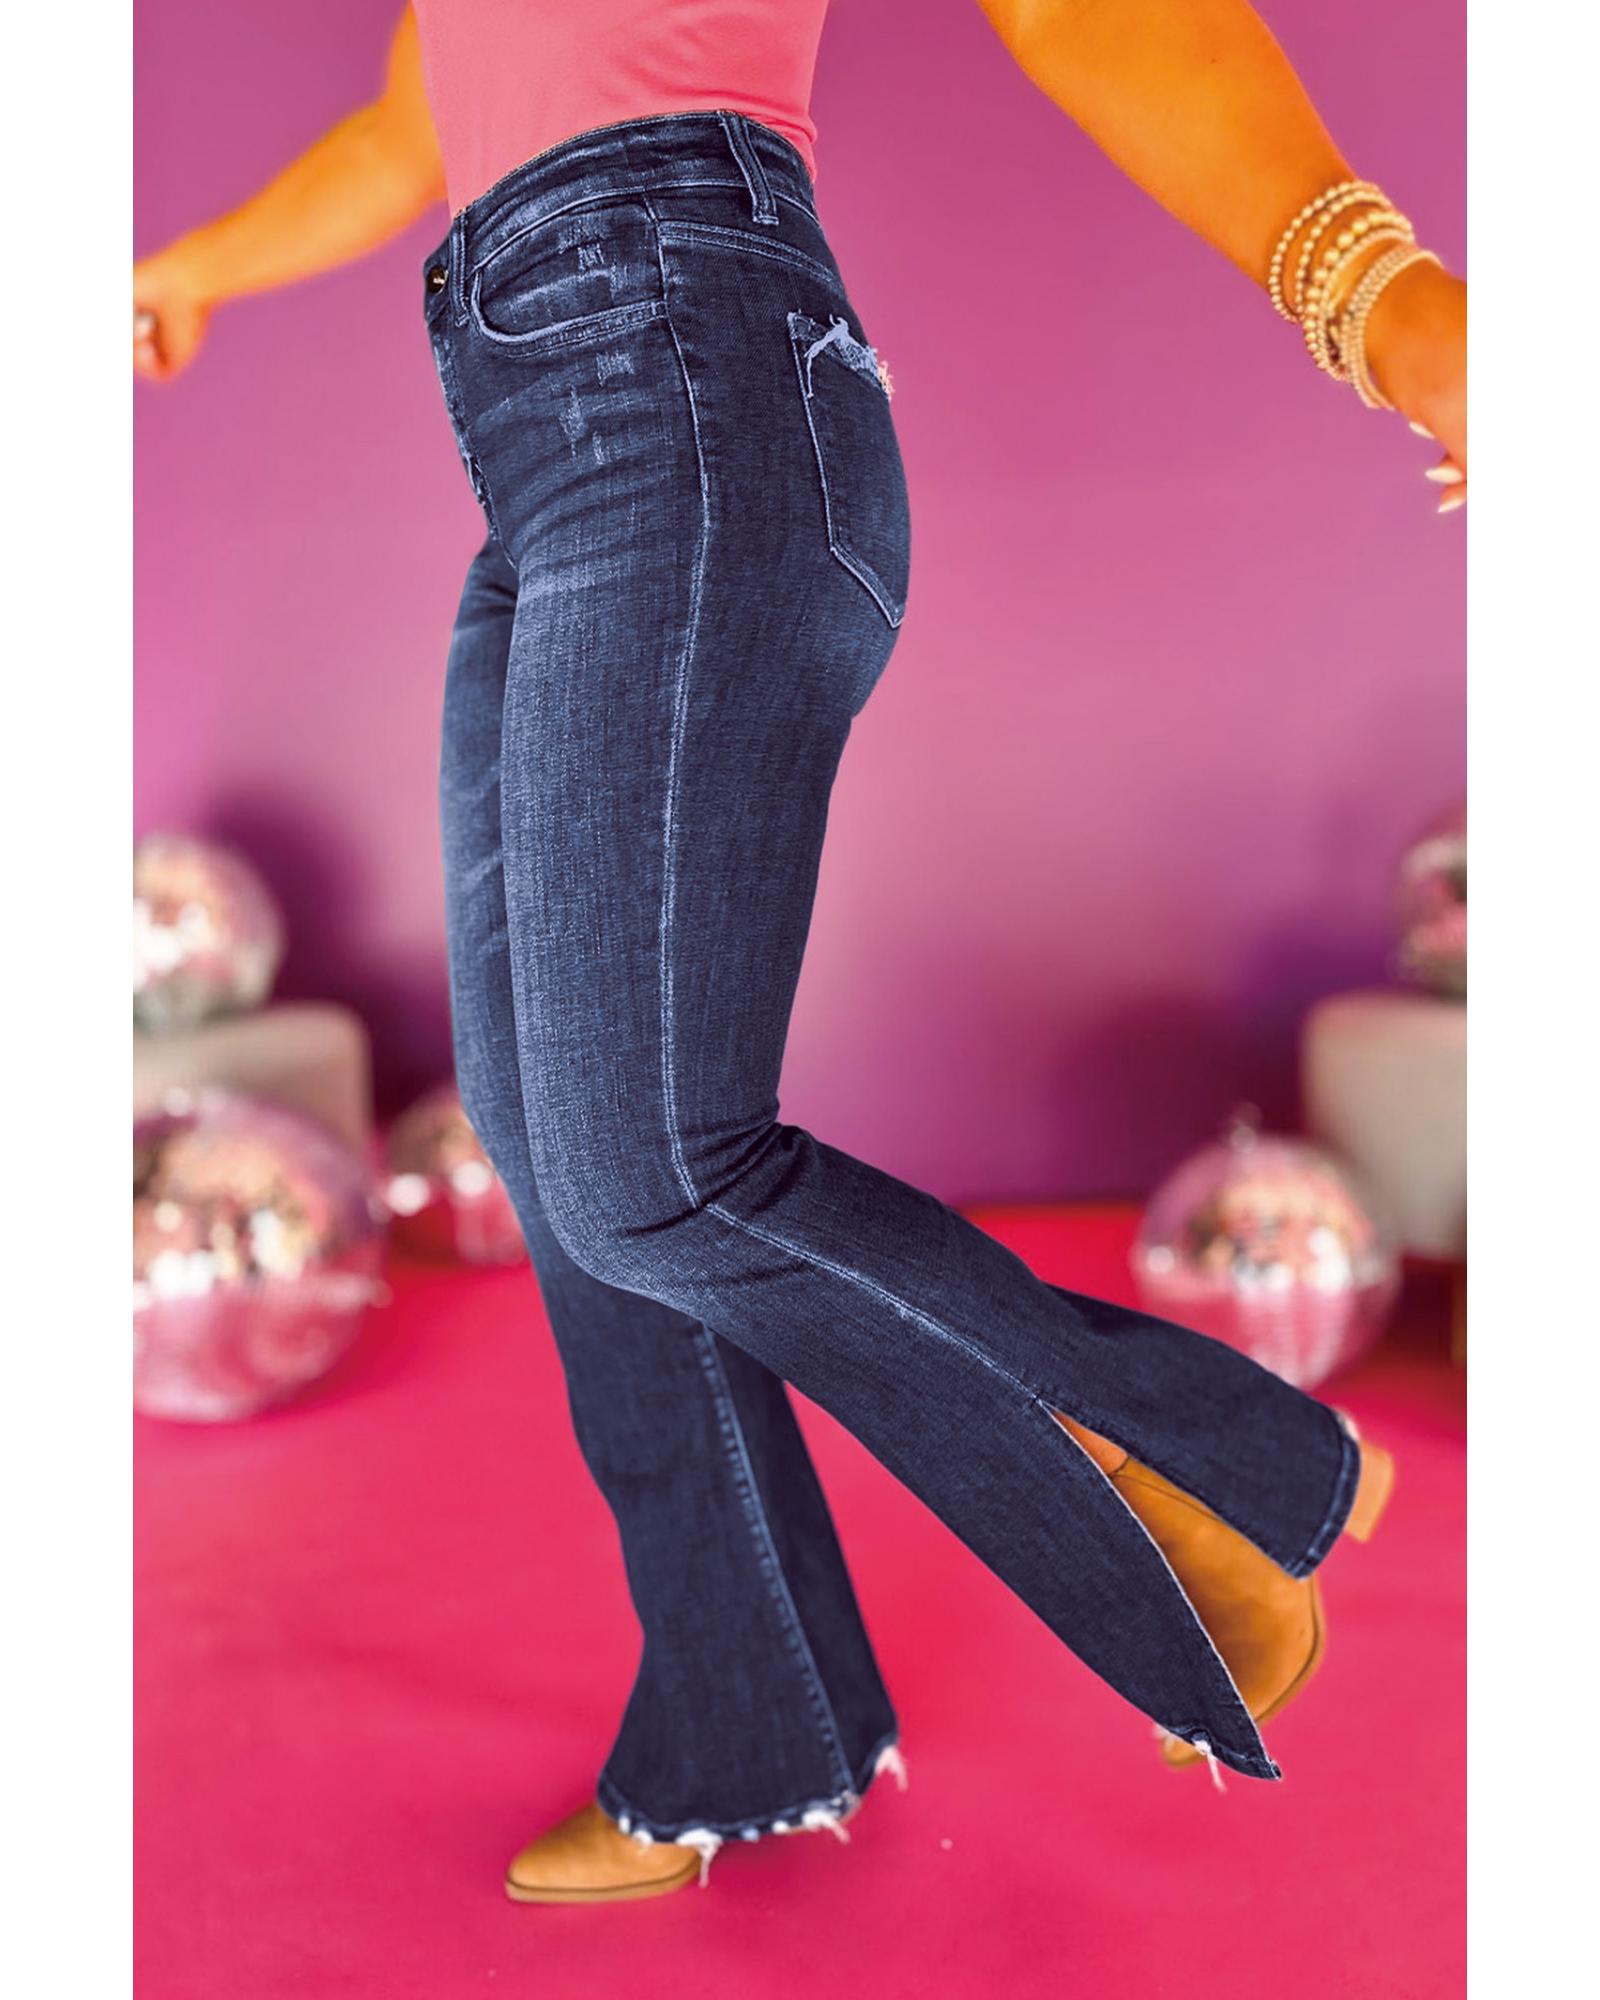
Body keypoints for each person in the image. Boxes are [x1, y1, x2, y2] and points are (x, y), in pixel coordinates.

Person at [135, 0, 1462, 1904]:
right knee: (564, 1150)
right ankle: (753, 1723)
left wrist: (1385, 300)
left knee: (653, 1165)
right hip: (559, 437)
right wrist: (195, 265)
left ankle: (1225, 1468)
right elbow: (428, 104)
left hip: (678, 374)